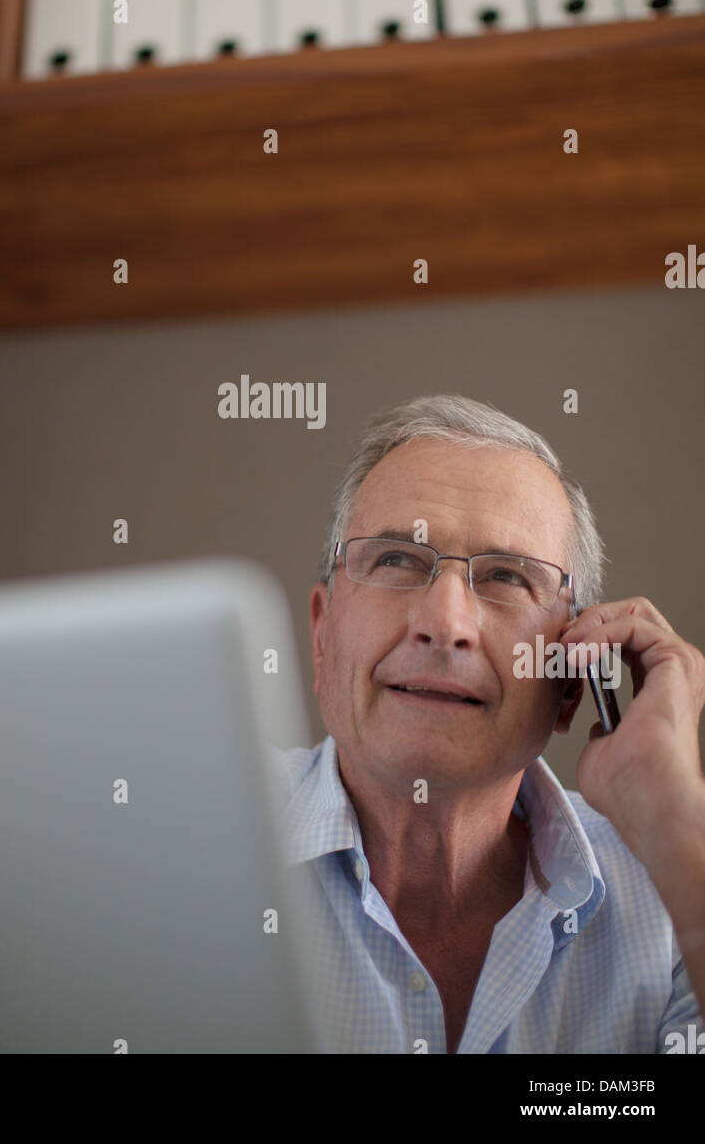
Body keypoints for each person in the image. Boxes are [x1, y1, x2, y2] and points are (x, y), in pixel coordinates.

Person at [275, 394, 705, 1053]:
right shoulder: (184, 842)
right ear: (322, 634)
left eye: (506, 576)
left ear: (570, 679)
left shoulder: (675, 886)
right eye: (396, 559)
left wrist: (675, 817)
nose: (444, 625)